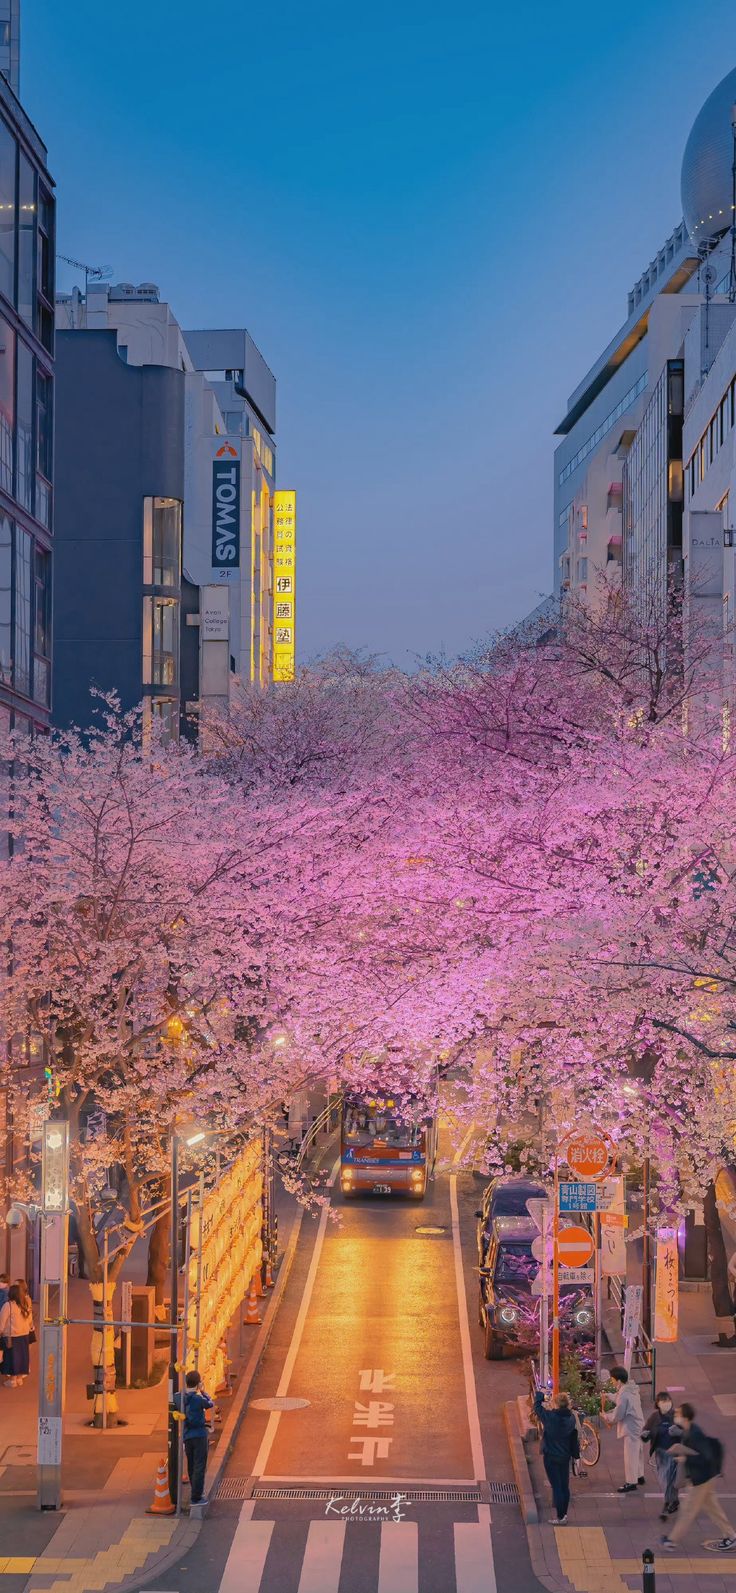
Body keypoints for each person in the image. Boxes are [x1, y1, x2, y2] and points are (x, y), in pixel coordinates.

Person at [661, 1403, 736, 1553]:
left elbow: (705, 1457)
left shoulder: (695, 1434)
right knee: (713, 1509)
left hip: (701, 1479)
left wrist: (685, 1459)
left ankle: (672, 1541)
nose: (675, 1416)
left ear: (686, 1417)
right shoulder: (689, 1431)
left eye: (678, 1414)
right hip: (705, 1477)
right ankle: (731, 1536)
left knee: (688, 1510)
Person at [534, 1387, 580, 1524]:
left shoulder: (551, 1417)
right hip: (565, 1456)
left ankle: (560, 1517)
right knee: (564, 1486)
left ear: (557, 1404)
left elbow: (537, 1408)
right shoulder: (571, 1418)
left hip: (551, 1456)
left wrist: (540, 1395)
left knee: (557, 1486)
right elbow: (574, 1437)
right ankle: (564, 1514)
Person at [602, 1365, 645, 1492]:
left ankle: (631, 1482)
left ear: (619, 1380)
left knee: (630, 1454)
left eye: (613, 1380)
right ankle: (639, 1475)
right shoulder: (631, 1389)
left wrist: (605, 1416)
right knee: (638, 1452)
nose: (612, 1382)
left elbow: (618, 1415)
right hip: (639, 1424)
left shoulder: (624, 1394)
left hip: (630, 1428)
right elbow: (620, 1398)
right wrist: (609, 1395)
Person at [178, 1370, 214, 1507]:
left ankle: (195, 1492)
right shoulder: (199, 1399)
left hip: (187, 1436)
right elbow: (210, 1403)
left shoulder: (181, 1397)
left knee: (191, 1465)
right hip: (199, 1435)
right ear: (198, 1384)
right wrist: (203, 1391)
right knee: (199, 1466)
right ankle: (196, 1497)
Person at [642, 1390, 680, 1520]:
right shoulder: (654, 1417)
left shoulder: (676, 1416)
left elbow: (686, 1432)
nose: (666, 1404)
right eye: (663, 1402)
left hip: (674, 1452)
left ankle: (668, 1503)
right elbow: (646, 1432)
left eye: (668, 1401)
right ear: (658, 1404)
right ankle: (673, 1500)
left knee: (670, 1479)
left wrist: (678, 1432)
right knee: (665, 1479)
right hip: (660, 1453)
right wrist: (645, 1435)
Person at [0, 1282, 34, 1387]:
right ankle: (19, 1378)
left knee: (11, 1357)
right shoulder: (25, 1304)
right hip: (24, 1335)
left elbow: (2, 1321)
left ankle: (12, 1380)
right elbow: (30, 1320)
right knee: (22, 1357)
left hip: (11, 1336)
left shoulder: (8, 1306)